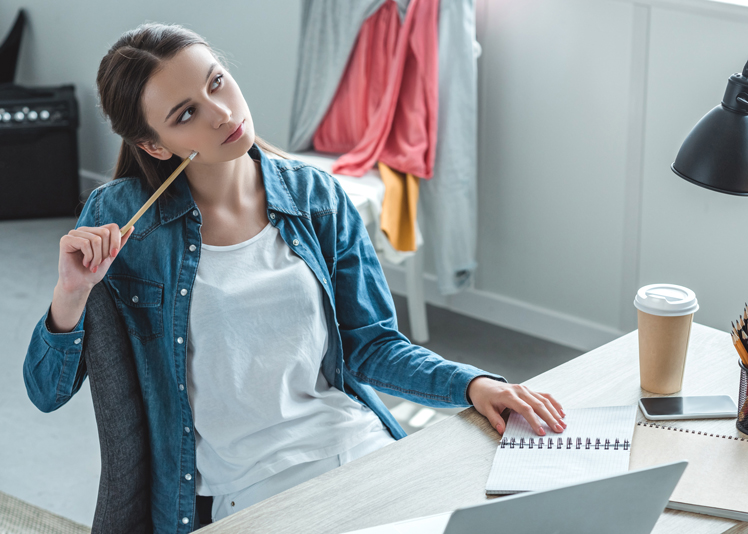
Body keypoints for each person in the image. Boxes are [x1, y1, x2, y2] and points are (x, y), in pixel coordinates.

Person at [22, 23, 566, 531]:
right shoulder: (122, 221)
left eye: (217, 83)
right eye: (186, 113)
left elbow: (372, 346)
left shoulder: (317, 199)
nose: (220, 114)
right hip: (252, 486)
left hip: (357, 443)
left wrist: (473, 384)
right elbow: (45, 391)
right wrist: (71, 293)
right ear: (154, 145)